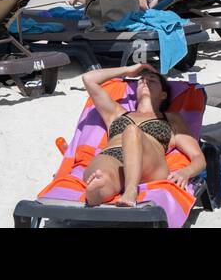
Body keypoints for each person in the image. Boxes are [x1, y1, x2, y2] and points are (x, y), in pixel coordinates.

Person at [80, 63, 205, 207]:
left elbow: (198, 157)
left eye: (152, 80)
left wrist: (186, 172)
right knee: (102, 177)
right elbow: (88, 79)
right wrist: (128, 70)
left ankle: (131, 190)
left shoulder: (172, 119)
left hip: (150, 164)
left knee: (132, 131)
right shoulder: (116, 112)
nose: (145, 81)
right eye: (141, 80)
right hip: (113, 157)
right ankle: (98, 191)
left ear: (163, 95)